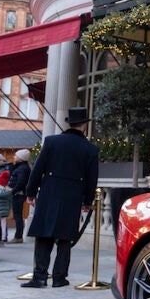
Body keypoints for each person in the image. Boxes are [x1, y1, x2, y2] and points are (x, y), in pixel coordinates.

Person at [21, 108, 99, 289]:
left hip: (49, 192)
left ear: (69, 123)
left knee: (44, 235)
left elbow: (37, 170)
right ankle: (59, 277)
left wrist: (30, 193)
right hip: (72, 196)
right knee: (65, 239)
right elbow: (91, 179)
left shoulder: (51, 142)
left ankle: (39, 277)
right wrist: (87, 201)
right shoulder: (90, 149)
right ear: (84, 125)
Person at [7, 149, 32, 243]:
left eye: (16, 156)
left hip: (18, 195)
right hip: (18, 194)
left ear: (21, 158)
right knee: (17, 215)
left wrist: (13, 191)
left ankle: (18, 236)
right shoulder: (21, 167)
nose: (14, 157)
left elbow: (21, 182)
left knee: (18, 216)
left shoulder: (22, 169)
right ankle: (18, 236)